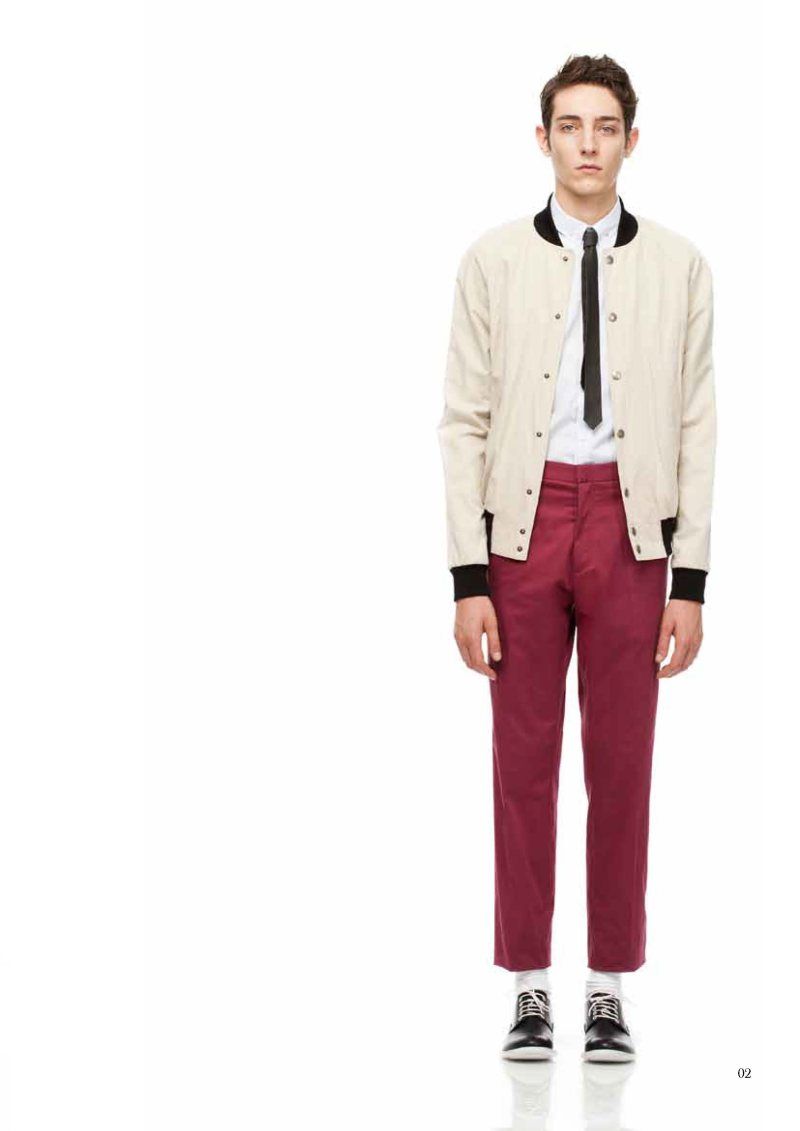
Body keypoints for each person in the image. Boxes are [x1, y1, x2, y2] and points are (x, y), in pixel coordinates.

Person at [436, 53, 716, 1063]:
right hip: (523, 522)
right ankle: (528, 986)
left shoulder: (680, 266)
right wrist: (468, 576)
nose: (587, 144)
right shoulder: (492, 261)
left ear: (630, 141)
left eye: (604, 127)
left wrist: (689, 579)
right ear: (543, 138)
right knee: (521, 763)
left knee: (621, 763)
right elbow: (462, 420)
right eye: (569, 126)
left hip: (631, 526)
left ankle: (607, 988)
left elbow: (695, 423)